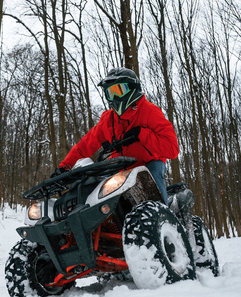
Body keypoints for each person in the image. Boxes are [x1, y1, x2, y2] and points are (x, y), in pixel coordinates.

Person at [54, 67, 179, 205]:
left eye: (119, 91)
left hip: (149, 163)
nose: (115, 97)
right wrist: (64, 167)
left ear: (132, 88)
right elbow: (84, 146)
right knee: (94, 190)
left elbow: (172, 149)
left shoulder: (149, 111)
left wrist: (142, 133)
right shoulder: (108, 120)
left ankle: (162, 216)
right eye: (110, 93)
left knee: (151, 175)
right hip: (120, 168)